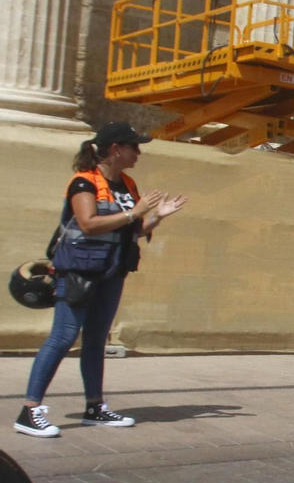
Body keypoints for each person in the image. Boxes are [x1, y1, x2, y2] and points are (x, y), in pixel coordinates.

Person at [17, 123, 187, 438]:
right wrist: (135, 213)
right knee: (63, 337)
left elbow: (132, 230)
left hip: (112, 271)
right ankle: (29, 410)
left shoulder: (128, 185)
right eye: (134, 146)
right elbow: (89, 224)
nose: (138, 152)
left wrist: (158, 216)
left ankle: (94, 407)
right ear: (115, 149)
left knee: (96, 339)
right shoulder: (84, 183)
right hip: (80, 271)